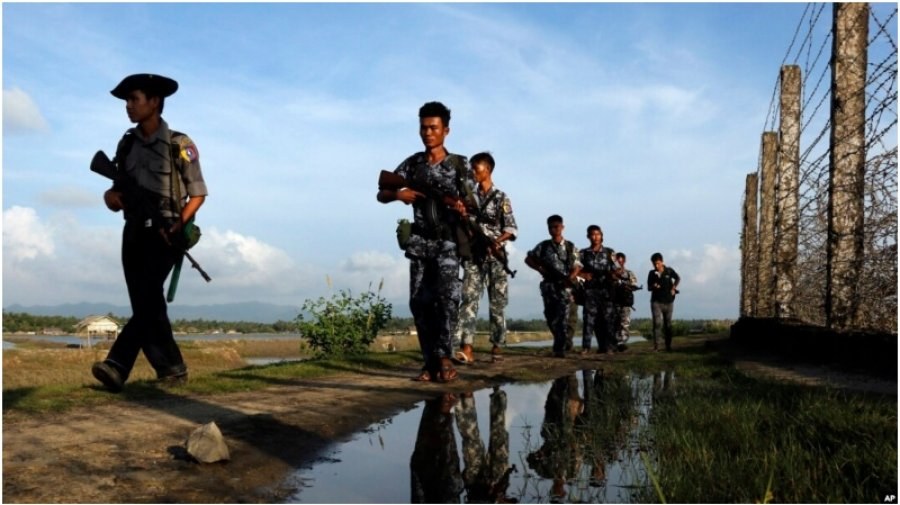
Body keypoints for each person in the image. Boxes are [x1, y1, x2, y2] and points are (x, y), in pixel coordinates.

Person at [91, 73, 208, 392]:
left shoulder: (179, 144)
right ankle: (172, 369)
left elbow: (198, 193)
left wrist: (178, 223)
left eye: (134, 99)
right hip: (133, 231)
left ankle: (117, 364)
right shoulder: (126, 142)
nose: (128, 106)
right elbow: (114, 192)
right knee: (147, 302)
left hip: (167, 231)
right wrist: (110, 198)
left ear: (154, 102)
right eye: (127, 100)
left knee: (146, 301)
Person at [377, 101, 468, 382]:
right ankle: (430, 363)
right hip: (419, 243)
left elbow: (471, 203)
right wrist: (398, 195)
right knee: (419, 303)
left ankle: (444, 357)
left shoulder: (459, 165)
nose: (427, 133)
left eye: (434, 128)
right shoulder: (412, 164)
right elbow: (381, 192)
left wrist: (462, 208)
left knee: (448, 300)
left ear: (446, 131)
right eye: (423, 127)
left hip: (447, 243)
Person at [453, 152, 518, 365]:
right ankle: (466, 348)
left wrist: (496, 243)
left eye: (476, 169)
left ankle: (497, 344)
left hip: (496, 258)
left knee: (497, 303)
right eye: (471, 168)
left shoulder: (501, 198)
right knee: (469, 300)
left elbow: (511, 228)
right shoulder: (468, 197)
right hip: (473, 255)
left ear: (487, 170)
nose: (473, 172)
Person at [525, 215, 581, 358]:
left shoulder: (570, 247)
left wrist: (570, 277)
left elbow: (577, 265)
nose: (554, 229)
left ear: (562, 227)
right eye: (551, 227)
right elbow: (528, 259)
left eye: (557, 226)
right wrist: (540, 269)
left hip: (565, 286)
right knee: (550, 316)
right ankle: (563, 342)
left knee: (564, 317)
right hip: (549, 286)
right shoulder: (543, 246)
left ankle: (560, 347)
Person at [576, 225, 619, 355]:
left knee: (608, 319)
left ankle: (609, 347)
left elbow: (617, 269)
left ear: (602, 235)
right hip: (590, 290)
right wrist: (583, 275)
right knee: (589, 319)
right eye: (592, 234)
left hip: (606, 290)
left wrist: (614, 275)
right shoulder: (583, 253)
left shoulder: (609, 252)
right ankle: (586, 347)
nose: (595, 237)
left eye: (598, 234)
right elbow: (574, 269)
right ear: (588, 236)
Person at [647, 252, 680, 351]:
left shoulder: (669, 271)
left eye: (658, 263)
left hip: (669, 301)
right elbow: (649, 287)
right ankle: (656, 346)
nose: (656, 266)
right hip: (656, 301)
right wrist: (653, 286)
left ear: (662, 262)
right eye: (654, 264)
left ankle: (668, 346)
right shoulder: (652, 273)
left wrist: (674, 288)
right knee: (657, 323)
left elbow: (678, 278)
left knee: (668, 324)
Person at [612, 252, 640, 352]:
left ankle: (622, 342)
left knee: (624, 323)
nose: (619, 264)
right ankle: (614, 342)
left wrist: (628, 286)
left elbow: (634, 283)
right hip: (614, 301)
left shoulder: (629, 273)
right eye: (617, 262)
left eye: (621, 262)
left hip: (625, 301)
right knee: (613, 322)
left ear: (624, 261)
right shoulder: (611, 274)